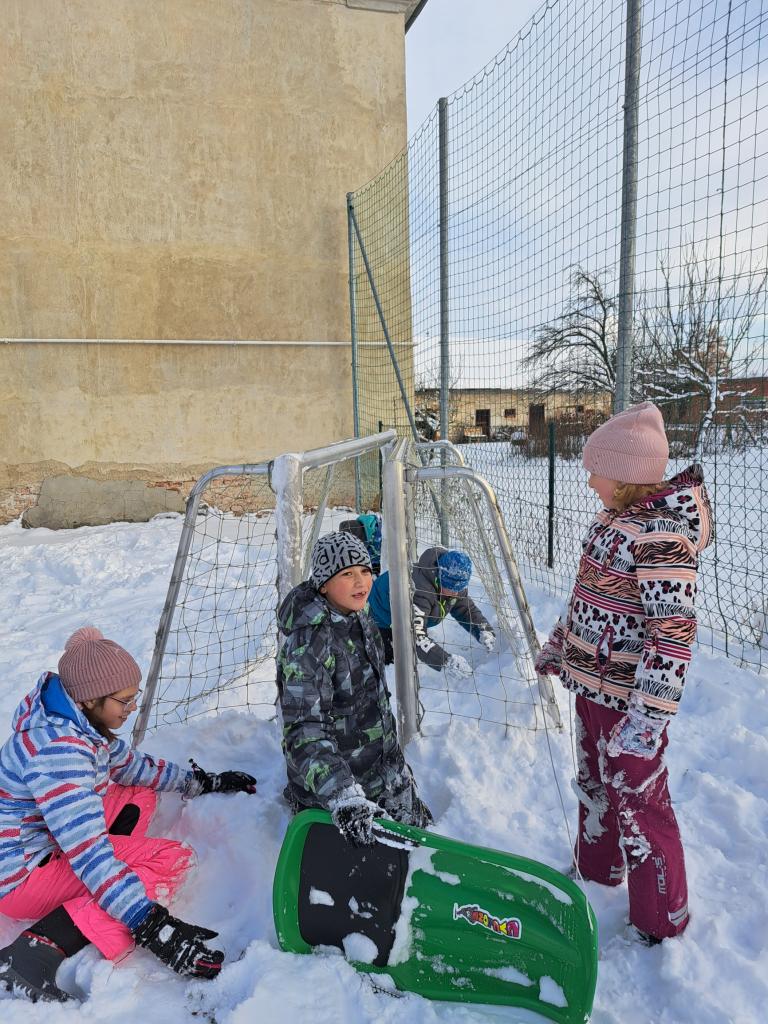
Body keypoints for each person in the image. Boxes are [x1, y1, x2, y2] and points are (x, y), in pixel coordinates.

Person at [0, 626, 257, 1003]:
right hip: (20, 874)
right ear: (90, 698)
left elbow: (130, 765)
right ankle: (37, 948)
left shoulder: (73, 718)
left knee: (138, 793)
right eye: (124, 700)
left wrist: (199, 783)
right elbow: (89, 854)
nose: (132, 707)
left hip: (38, 842)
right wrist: (150, 924)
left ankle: (113, 883)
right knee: (173, 860)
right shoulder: (61, 754)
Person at [535, 402, 713, 946]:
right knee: (593, 782)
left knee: (639, 804)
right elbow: (584, 600)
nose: (590, 481)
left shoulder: (662, 539)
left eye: (597, 471)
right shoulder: (608, 523)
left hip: (632, 704)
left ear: (626, 475)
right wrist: (561, 644)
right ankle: (596, 873)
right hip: (591, 687)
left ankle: (661, 920)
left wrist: (648, 719)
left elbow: (672, 637)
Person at [276, 531, 431, 847]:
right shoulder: (308, 646)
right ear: (323, 584)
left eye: (364, 570)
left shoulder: (360, 617)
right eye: (346, 574)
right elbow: (305, 731)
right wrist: (342, 793)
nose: (361, 581)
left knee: (423, 842)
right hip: (338, 791)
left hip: (383, 769)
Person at [368, 547, 496, 678]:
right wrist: (446, 661)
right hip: (381, 611)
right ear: (439, 578)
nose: (455, 593)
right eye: (451, 588)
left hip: (407, 610)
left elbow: (465, 609)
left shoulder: (455, 581)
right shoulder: (419, 592)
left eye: (459, 588)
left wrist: (483, 630)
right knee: (391, 662)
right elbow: (416, 637)